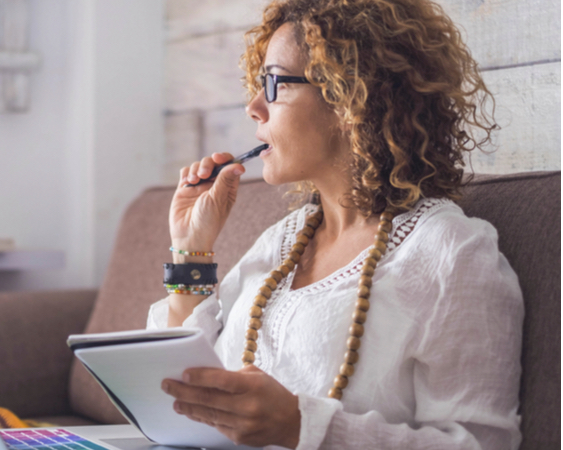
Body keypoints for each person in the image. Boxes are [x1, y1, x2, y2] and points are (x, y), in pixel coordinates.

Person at [147, 1, 523, 449]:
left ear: (350, 96)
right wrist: (191, 248)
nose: (252, 107)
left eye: (272, 83)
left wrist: (301, 426)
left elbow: (483, 444)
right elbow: (186, 387)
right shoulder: (283, 240)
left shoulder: (451, 253)